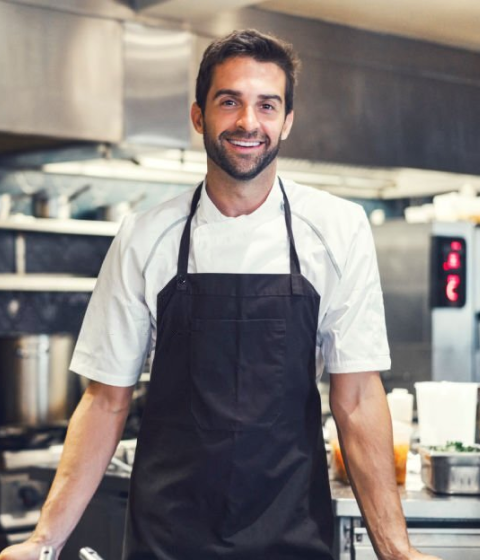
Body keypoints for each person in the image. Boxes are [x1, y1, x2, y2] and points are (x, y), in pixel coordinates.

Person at [0, 29, 440, 560]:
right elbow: (104, 401)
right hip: (168, 538)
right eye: (229, 101)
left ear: (287, 121)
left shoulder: (337, 229)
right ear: (198, 116)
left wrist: (396, 550)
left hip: (291, 536)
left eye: (267, 105)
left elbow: (359, 397)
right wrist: (43, 542)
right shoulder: (145, 236)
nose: (248, 122)